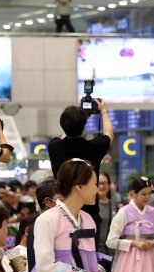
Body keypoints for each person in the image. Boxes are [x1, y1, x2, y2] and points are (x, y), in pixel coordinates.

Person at [48, 102, 114, 240]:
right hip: (89, 210)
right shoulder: (94, 147)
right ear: (83, 127)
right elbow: (109, 134)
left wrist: (77, 118)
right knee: (88, 257)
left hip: (63, 209)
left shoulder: (54, 147)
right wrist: (103, 111)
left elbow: (64, 136)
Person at [97, 172, 115, 258]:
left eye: (104, 183)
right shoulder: (91, 206)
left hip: (113, 253)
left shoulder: (114, 205)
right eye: (99, 183)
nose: (101, 186)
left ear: (108, 185)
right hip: (97, 253)